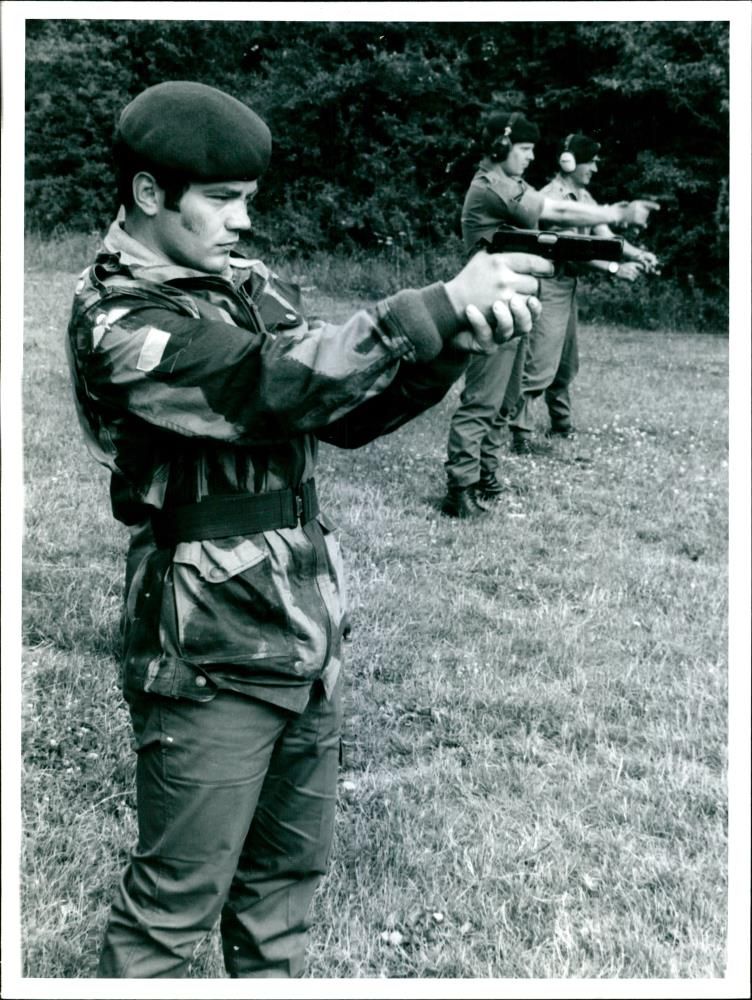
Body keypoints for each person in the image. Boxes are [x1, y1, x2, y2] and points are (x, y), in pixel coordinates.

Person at [65, 81, 553, 979]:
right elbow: (267, 387)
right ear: (145, 194)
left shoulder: (242, 286)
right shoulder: (118, 318)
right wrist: (430, 307)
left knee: (284, 889)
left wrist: (453, 341)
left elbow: (340, 411)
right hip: (205, 643)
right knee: (174, 909)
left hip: (303, 626)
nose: (243, 220)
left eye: (248, 198)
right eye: (221, 199)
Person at [442, 110, 659, 518]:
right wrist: (616, 213)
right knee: (482, 401)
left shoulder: (512, 183)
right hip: (492, 303)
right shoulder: (491, 187)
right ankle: (460, 489)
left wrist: (613, 249)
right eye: (523, 149)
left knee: (505, 401)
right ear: (500, 147)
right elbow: (557, 212)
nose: (529, 157)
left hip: (517, 300)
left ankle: (486, 475)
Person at [508, 133, 660, 450]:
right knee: (539, 366)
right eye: (590, 161)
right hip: (547, 285)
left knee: (565, 364)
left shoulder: (584, 196)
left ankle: (561, 426)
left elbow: (604, 238)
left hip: (567, 287)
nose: (594, 168)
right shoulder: (551, 198)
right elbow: (571, 250)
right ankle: (517, 431)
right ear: (570, 162)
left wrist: (637, 254)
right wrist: (614, 269)